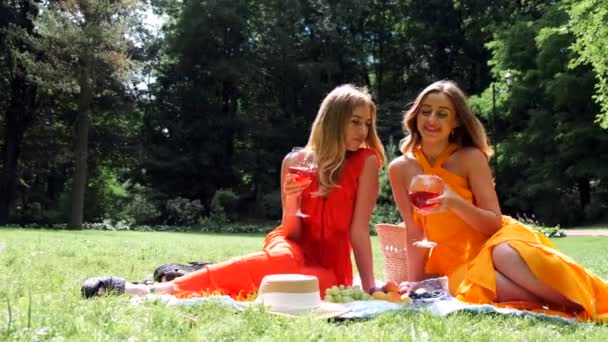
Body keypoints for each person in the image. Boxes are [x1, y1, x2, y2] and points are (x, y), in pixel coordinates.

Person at [82, 84, 385, 299]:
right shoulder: (295, 162)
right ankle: (147, 290)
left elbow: (359, 231)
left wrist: (369, 286)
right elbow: (291, 231)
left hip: (330, 266)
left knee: (286, 289)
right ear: (332, 122)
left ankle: (199, 272)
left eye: (367, 124)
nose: (362, 132)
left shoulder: (366, 162)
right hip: (290, 247)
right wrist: (293, 199)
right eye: (355, 122)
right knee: (285, 264)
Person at [388, 80, 608, 321]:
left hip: (495, 243)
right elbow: (413, 230)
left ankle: (592, 303)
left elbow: (493, 224)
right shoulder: (399, 168)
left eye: (442, 114)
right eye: (425, 111)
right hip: (453, 265)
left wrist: (454, 202)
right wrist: (416, 285)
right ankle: (578, 306)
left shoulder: (471, 158)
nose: (431, 120)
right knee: (507, 288)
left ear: (457, 122)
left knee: (503, 254)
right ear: (415, 115)